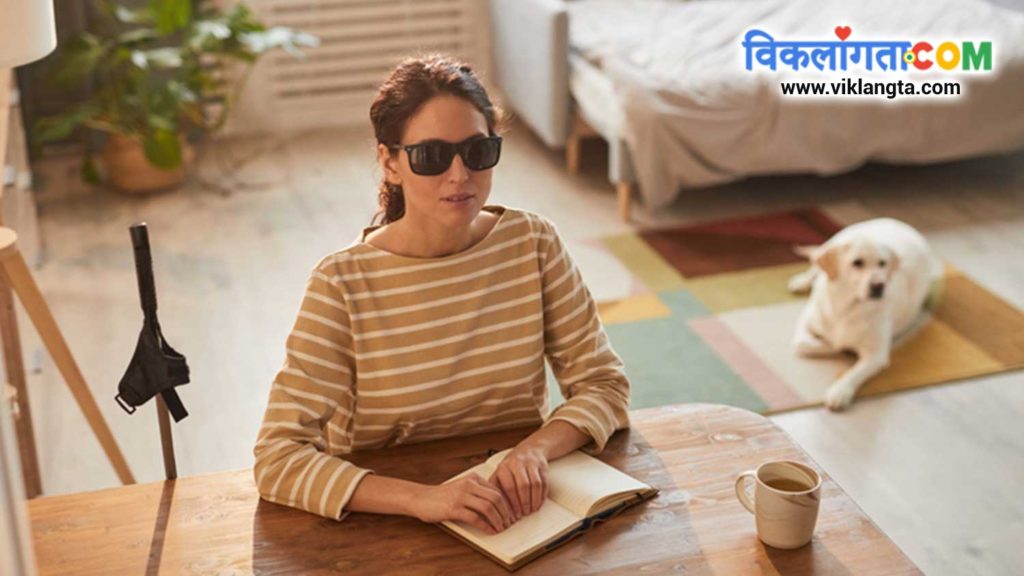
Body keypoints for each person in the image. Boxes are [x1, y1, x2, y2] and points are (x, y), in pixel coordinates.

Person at [253, 54, 631, 536]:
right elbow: (278, 457)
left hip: (519, 509)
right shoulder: (340, 285)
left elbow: (604, 385)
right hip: (394, 525)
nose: (459, 176)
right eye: (431, 156)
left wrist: (535, 449)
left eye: (477, 151)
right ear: (389, 162)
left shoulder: (533, 244)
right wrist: (421, 500)